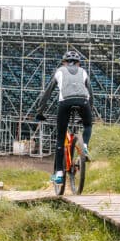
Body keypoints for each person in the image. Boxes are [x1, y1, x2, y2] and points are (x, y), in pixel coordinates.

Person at [32, 50, 94, 185]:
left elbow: (47, 93)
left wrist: (40, 111)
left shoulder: (60, 71)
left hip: (65, 102)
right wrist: (89, 109)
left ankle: (59, 174)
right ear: (78, 63)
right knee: (88, 125)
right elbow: (90, 91)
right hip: (83, 101)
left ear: (64, 62)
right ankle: (84, 146)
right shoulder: (83, 71)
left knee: (60, 139)